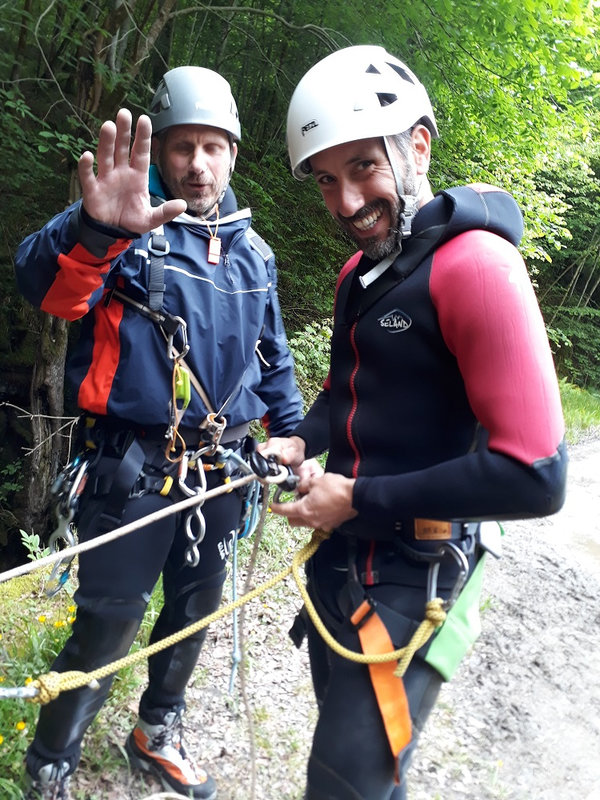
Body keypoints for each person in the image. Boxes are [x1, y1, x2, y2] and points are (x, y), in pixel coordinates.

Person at [263, 45, 568, 800]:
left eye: (363, 167)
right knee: (368, 777)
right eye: (328, 181)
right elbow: (348, 392)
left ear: (418, 144)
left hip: (424, 568)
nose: (344, 202)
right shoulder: (358, 275)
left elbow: (536, 475)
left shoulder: (475, 267)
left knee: (343, 784)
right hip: (351, 556)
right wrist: (303, 437)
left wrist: (357, 497)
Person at [14, 66, 305, 800]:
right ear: (160, 150)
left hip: (225, 474)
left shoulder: (255, 255)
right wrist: (96, 231)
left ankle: (157, 732)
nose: (198, 164)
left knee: (195, 612)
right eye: (182, 147)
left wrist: (295, 435)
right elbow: (48, 289)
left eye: (213, 147)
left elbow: (275, 360)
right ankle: (53, 754)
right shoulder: (122, 231)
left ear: (235, 154)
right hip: (131, 468)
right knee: (108, 622)